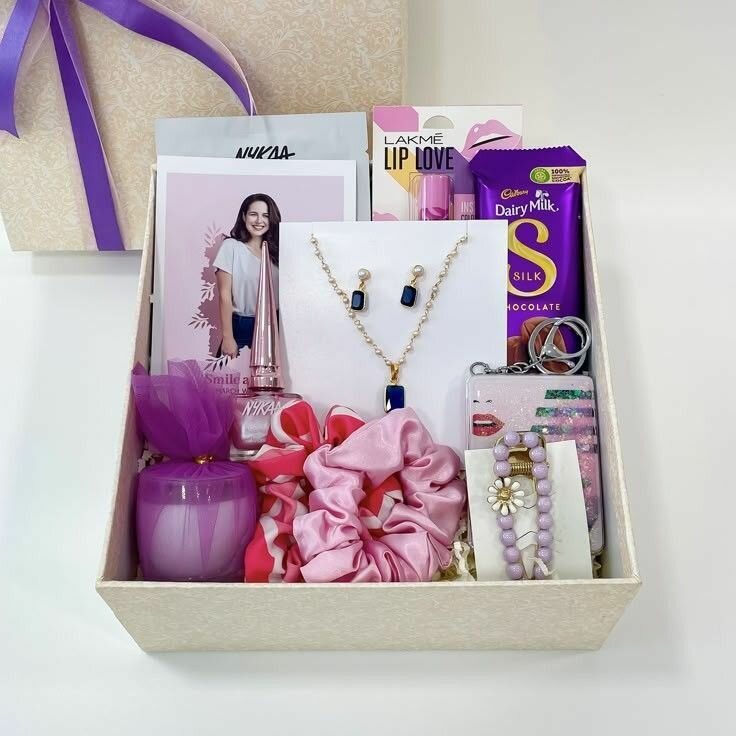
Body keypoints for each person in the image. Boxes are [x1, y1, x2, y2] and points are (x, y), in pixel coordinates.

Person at [213, 194, 281, 359]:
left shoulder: (278, 253)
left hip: (274, 327)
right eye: (253, 214)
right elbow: (224, 295)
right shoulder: (231, 247)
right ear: (244, 216)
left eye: (265, 215)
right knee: (234, 375)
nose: (259, 220)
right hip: (242, 326)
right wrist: (228, 337)